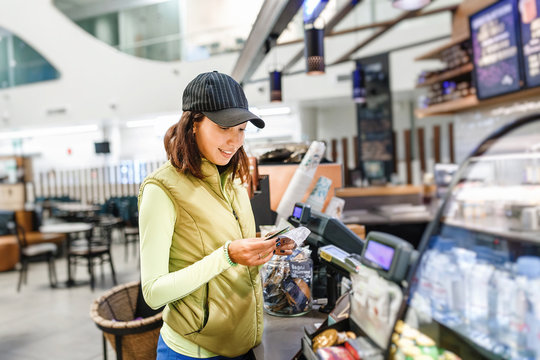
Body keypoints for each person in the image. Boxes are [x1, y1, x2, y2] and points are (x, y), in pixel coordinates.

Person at [138, 71, 296, 360]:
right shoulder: (161, 189)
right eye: (225, 127)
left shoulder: (233, 179)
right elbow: (153, 293)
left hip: (244, 342)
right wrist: (227, 256)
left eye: (242, 130)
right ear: (193, 123)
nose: (234, 141)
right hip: (194, 352)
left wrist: (265, 248)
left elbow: (231, 252)